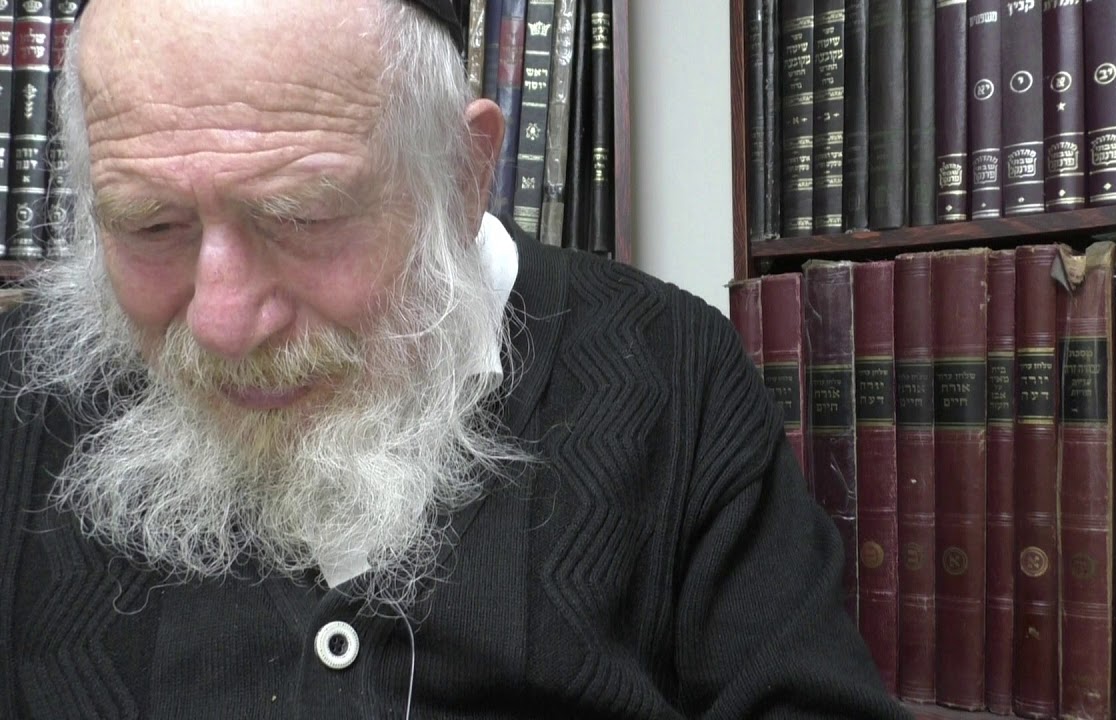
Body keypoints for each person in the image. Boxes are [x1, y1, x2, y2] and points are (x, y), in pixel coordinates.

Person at [0, 1, 907, 717]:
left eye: (301, 218)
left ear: (464, 172)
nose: (225, 323)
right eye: (150, 225)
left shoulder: (673, 367)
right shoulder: (21, 396)